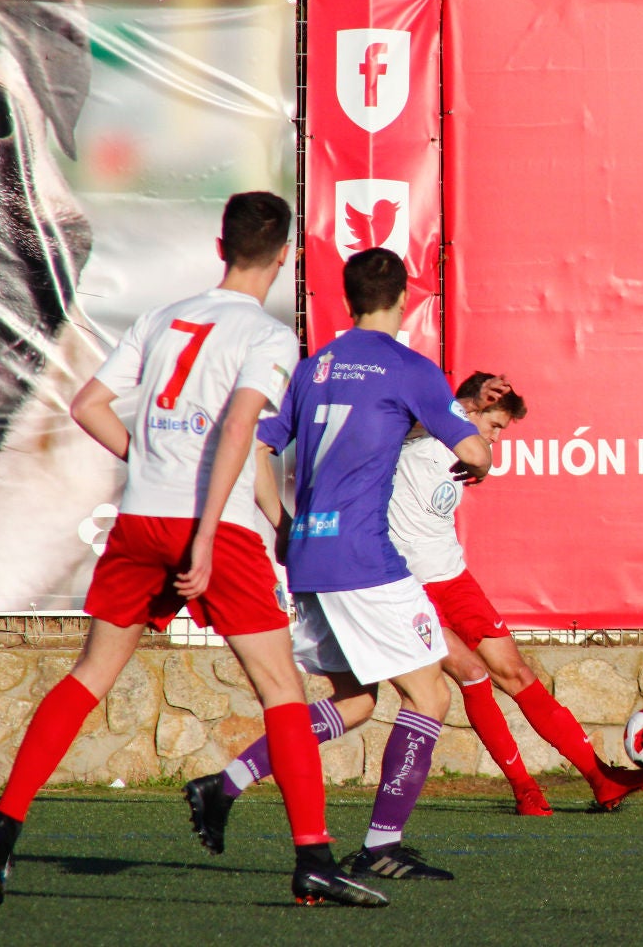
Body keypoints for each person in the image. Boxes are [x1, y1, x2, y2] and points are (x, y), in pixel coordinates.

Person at [0, 193, 386, 908]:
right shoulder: (266, 336)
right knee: (281, 689)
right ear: (286, 254)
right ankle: (313, 860)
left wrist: (154, 468)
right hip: (214, 529)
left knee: (90, 676)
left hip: (139, 520)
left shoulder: (161, 317)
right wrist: (202, 529)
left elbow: (86, 407)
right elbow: (238, 429)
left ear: (219, 244)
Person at [189, 373, 643, 827]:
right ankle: (521, 790)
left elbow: (473, 462)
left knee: (510, 674)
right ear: (468, 408)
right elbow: (410, 423)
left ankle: (600, 778)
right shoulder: (414, 434)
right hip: (403, 584)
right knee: (461, 680)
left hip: (453, 578)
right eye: (493, 426)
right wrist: (465, 411)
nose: (494, 439)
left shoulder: (464, 454)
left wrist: (477, 451)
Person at [185, 246, 496, 884]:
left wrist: (280, 522)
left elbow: (253, 448)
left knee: (354, 703)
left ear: (348, 300)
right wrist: (479, 459)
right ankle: (383, 843)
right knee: (431, 696)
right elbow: (474, 450)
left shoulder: (314, 366)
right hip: (364, 558)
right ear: (406, 297)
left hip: (310, 555)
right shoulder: (410, 366)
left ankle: (225, 784)